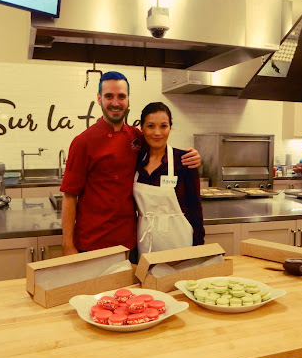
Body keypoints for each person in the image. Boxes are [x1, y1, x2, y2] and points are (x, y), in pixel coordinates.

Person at [60, 71, 200, 256]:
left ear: (128, 100)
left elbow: (159, 144)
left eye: (121, 96)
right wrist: (68, 246)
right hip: (92, 241)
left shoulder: (136, 138)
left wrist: (192, 155)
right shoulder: (83, 142)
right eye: (109, 96)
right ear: (99, 99)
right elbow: (70, 196)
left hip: (129, 242)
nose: (115, 102)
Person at [134, 102, 204, 257]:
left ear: (170, 128)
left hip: (178, 241)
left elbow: (195, 207)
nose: (157, 132)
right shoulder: (136, 161)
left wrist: (199, 246)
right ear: (142, 128)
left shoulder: (184, 161)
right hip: (144, 241)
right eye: (151, 126)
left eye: (163, 126)